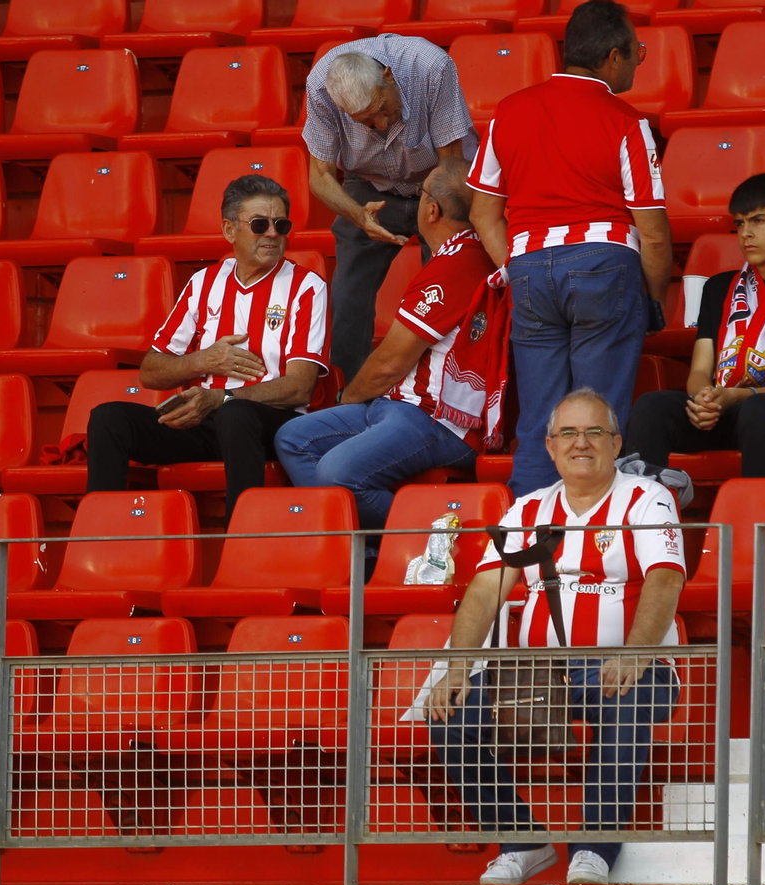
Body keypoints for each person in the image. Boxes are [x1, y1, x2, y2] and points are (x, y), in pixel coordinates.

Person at [429, 388, 686, 885]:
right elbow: (484, 591)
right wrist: (457, 667)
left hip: (633, 666)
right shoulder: (527, 510)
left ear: (616, 444)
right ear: (549, 447)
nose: (580, 443)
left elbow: (665, 578)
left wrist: (636, 655)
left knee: (626, 694)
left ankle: (595, 846)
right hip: (540, 674)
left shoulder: (647, 497)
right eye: (567, 432)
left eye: (594, 432)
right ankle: (522, 840)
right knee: (452, 711)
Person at [467, 0, 672, 498]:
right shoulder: (625, 120)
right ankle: (592, 550)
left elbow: (482, 214)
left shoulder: (509, 112)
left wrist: (517, 268)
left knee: (543, 419)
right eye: (637, 54)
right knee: (594, 422)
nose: (637, 64)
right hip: (605, 263)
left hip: (530, 267)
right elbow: (656, 234)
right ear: (614, 57)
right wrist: (651, 298)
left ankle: (528, 547)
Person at [85, 175, 328, 519]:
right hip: (207, 419)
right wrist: (204, 360)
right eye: (260, 224)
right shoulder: (204, 283)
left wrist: (223, 398)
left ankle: (240, 544)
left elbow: (301, 387)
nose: (273, 233)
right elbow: (151, 371)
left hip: (271, 423)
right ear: (230, 230)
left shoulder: (306, 287)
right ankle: (99, 536)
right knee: (108, 418)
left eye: (281, 224)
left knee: (235, 414)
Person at [276, 158, 496, 530]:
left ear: (431, 210)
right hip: (400, 405)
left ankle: (423, 540)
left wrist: (347, 398)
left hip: (438, 419)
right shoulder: (463, 253)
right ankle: (358, 544)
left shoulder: (458, 262)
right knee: (293, 437)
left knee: (335, 472)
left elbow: (390, 363)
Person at [622, 173, 765, 480]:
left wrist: (735, 397)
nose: (746, 234)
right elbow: (699, 371)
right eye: (740, 224)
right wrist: (704, 398)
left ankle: (759, 520)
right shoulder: (719, 287)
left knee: (761, 409)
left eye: (758, 221)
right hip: (721, 410)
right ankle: (647, 516)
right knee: (652, 406)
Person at [305, 36, 479, 382]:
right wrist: (358, 214)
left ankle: (444, 383)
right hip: (368, 184)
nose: (381, 125)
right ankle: (348, 389)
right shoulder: (319, 86)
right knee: (347, 293)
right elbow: (320, 175)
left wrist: (438, 216)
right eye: (366, 122)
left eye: (382, 110)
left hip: (439, 179)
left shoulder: (431, 66)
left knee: (448, 282)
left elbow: (451, 164)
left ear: (387, 75)